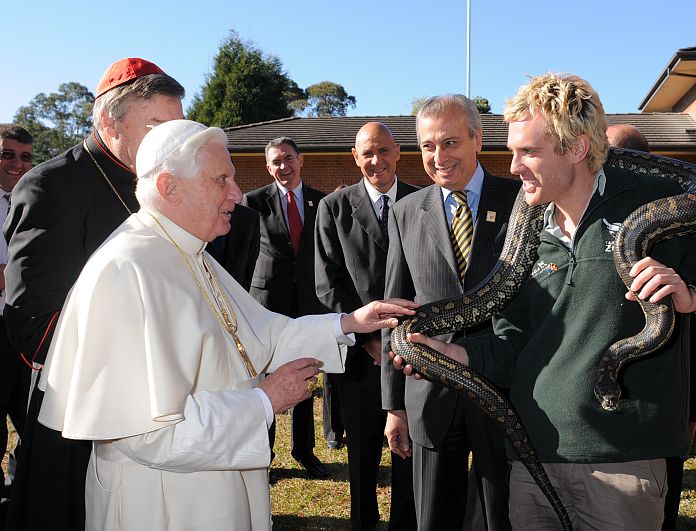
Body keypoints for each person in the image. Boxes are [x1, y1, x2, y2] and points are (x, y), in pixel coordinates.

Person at [394, 74, 696, 530]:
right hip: (533, 461)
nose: (514, 166)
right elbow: (511, 340)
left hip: (623, 467)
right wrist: (454, 354)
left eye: (529, 152)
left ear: (577, 148)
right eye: (513, 151)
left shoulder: (657, 208)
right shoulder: (526, 232)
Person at [34, 119, 417, 531]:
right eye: (222, 180)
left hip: (211, 485)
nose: (237, 193)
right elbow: (145, 433)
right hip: (165, 503)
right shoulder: (127, 270)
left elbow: (262, 335)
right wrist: (264, 402)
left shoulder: (191, 252)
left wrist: (350, 322)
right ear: (169, 187)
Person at [3, 57, 185, 531]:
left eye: (177, 127)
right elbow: (33, 325)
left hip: (160, 403)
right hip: (80, 414)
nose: (170, 140)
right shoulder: (50, 186)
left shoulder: (158, 186)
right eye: (157, 125)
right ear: (108, 117)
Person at [382, 95, 517, 530]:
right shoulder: (405, 211)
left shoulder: (522, 201)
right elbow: (395, 309)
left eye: (450, 142)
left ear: (478, 139)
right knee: (433, 517)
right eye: (427, 146)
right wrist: (394, 406)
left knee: (502, 515)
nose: (438, 157)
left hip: (504, 389)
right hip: (430, 395)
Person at [606, 122, 696, 530]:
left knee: (663, 495)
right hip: (616, 406)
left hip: (667, 397)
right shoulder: (612, 211)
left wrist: (695, 410)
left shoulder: (685, 212)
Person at [315, 122, 417, 530]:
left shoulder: (421, 201)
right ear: (356, 159)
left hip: (414, 356)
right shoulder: (334, 208)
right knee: (363, 457)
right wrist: (369, 340)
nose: (377, 161)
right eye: (367, 154)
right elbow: (327, 284)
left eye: (384, 151)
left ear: (398, 153)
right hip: (362, 362)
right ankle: (363, 522)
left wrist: (406, 341)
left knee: (408, 453)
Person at [242, 137, 330, 478]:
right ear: (268, 167)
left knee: (305, 375)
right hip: (267, 305)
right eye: (276, 161)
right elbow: (245, 254)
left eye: (288, 159)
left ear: (301, 159)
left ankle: (305, 450)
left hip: (308, 303)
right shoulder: (253, 203)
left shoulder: (322, 202)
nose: (283, 166)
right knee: (265, 379)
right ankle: (265, 454)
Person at [0, 125, 33, 521]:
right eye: (8, 154)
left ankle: (20, 500)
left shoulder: (35, 199)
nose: (17, 163)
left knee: (34, 423)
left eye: (25, 156)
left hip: (28, 330)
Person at [207, 203, 260, 290]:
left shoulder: (249, 217)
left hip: (235, 297)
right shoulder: (186, 214)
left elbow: (250, 263)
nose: (237, 195)